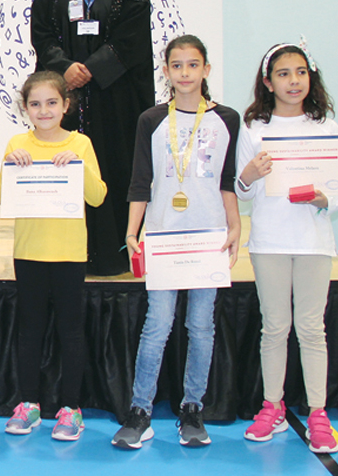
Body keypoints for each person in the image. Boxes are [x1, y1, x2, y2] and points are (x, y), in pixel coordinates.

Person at [113, 35, 240, 449]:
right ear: (165, 71)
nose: (185, 73)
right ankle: (140, 410)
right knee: (157, 326)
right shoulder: (151, 119)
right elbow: (140, 182)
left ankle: (192, 409)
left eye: (193, 64)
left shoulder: (227, 119)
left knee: (201, 326)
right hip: (166, 238)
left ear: (206, 70)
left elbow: (226, 182)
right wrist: (133, 232)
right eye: (177, 65)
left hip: (208, 240)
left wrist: (235, 228)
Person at [237, 42, 338, 454]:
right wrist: (249, 174)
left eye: (301, 72)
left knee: (311, 328)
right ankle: (272, 406)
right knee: (274, 327)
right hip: (269, 240)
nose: (294, 81)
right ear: (268, 82)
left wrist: (327, 198)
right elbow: (242, 191)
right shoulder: (254, 129)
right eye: (284, 74)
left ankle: (318, 413)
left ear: (311, 77)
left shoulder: (326, 127)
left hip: (313, 241)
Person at [30, 0, 154, 276]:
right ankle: (66, 256)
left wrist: (92, 70)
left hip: (113, 102)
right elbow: (42, 34)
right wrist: (64, 67)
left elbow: (131, 43)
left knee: (110, 170)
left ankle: (110, 255)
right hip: (67, 101)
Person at [0, 71, 107, 441]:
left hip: (69, 253)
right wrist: (11, 164)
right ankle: (29, 405)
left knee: (70, 331)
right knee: (29, 330)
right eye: (35, 103)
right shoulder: (16, 142)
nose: (43, 110)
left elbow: (98, 195)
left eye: (51, 102)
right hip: (28, 252)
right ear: (25, 108)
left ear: (65, 104)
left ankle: (71, 408)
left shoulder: (80, 144)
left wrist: (76, 167)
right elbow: (2, 197)